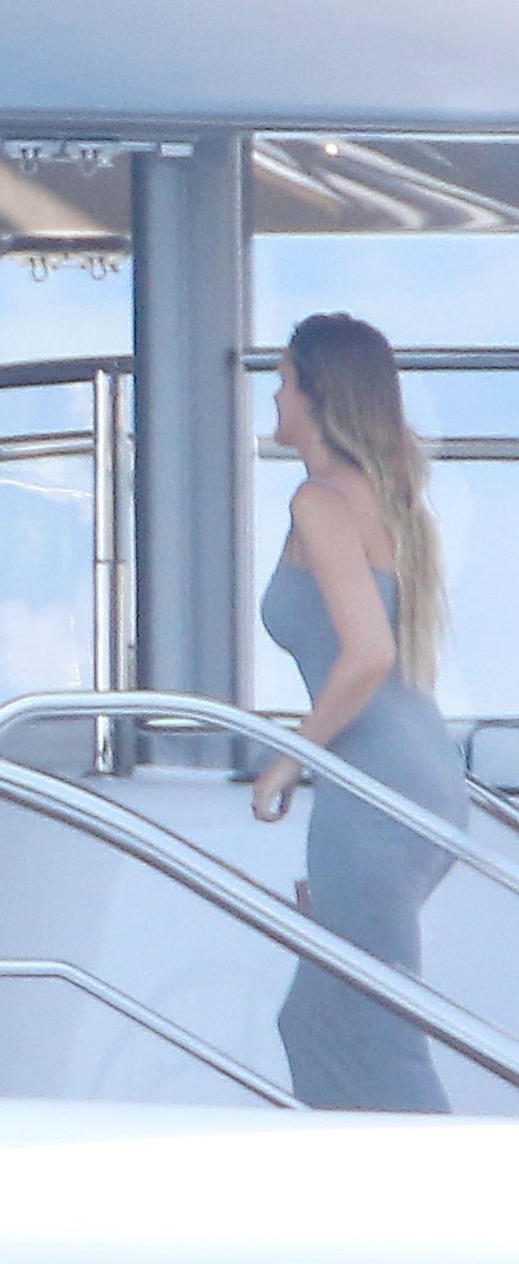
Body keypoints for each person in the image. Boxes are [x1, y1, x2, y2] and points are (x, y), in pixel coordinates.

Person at [252, 312, 462, 1112]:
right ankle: (360, 1180)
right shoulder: (381, 498)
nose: (274, 396)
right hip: (407, 781)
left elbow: (368, 654)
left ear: (318, 393)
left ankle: (454, 1189)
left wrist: (286, 761)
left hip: (379, 789)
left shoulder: (321, 501)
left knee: (376, 1030)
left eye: (284, 380)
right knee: (315, 1019)